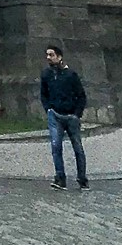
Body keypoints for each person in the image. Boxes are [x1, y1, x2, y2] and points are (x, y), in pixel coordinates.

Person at [39, 43, 88, 189]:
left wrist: (77, 114)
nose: (49, 57)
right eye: (47, 55)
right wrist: (48, 109)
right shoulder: (46, 74)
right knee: (56, 146)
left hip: (71, 116)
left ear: (59, 57)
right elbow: (44, 94)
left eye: (51, 55)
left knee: (77, 148)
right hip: (55, 115)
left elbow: (81, 96)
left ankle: (82, 179)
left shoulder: (71, 75)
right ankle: (60, 177)